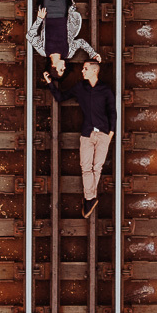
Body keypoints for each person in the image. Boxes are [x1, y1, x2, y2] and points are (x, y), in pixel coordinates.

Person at [43, 56, 115, 218]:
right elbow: (60, 97)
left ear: (95, 71)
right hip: (87, 134)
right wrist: (49, 83)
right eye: (83, 69)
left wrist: (111, 134)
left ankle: (90, 199)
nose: (82, 71)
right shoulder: (80, 88)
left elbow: (112, 112)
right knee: (86, 167)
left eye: (85, 69)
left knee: (97, 168)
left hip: (104, 134)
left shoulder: (105, 89)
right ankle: (90, 198)